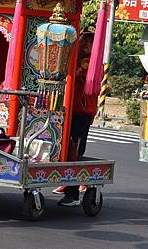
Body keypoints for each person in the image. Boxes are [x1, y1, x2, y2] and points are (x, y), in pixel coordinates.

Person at [55, 31, 97, 206]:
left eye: (86, 42)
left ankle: (73, 192)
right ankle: (68, 184)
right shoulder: (78, 59)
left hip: (80, 112)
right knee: (65, 148)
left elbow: (76, 75)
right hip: (72, 110)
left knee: (74, 150)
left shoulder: (87, 63)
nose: (83, 44)